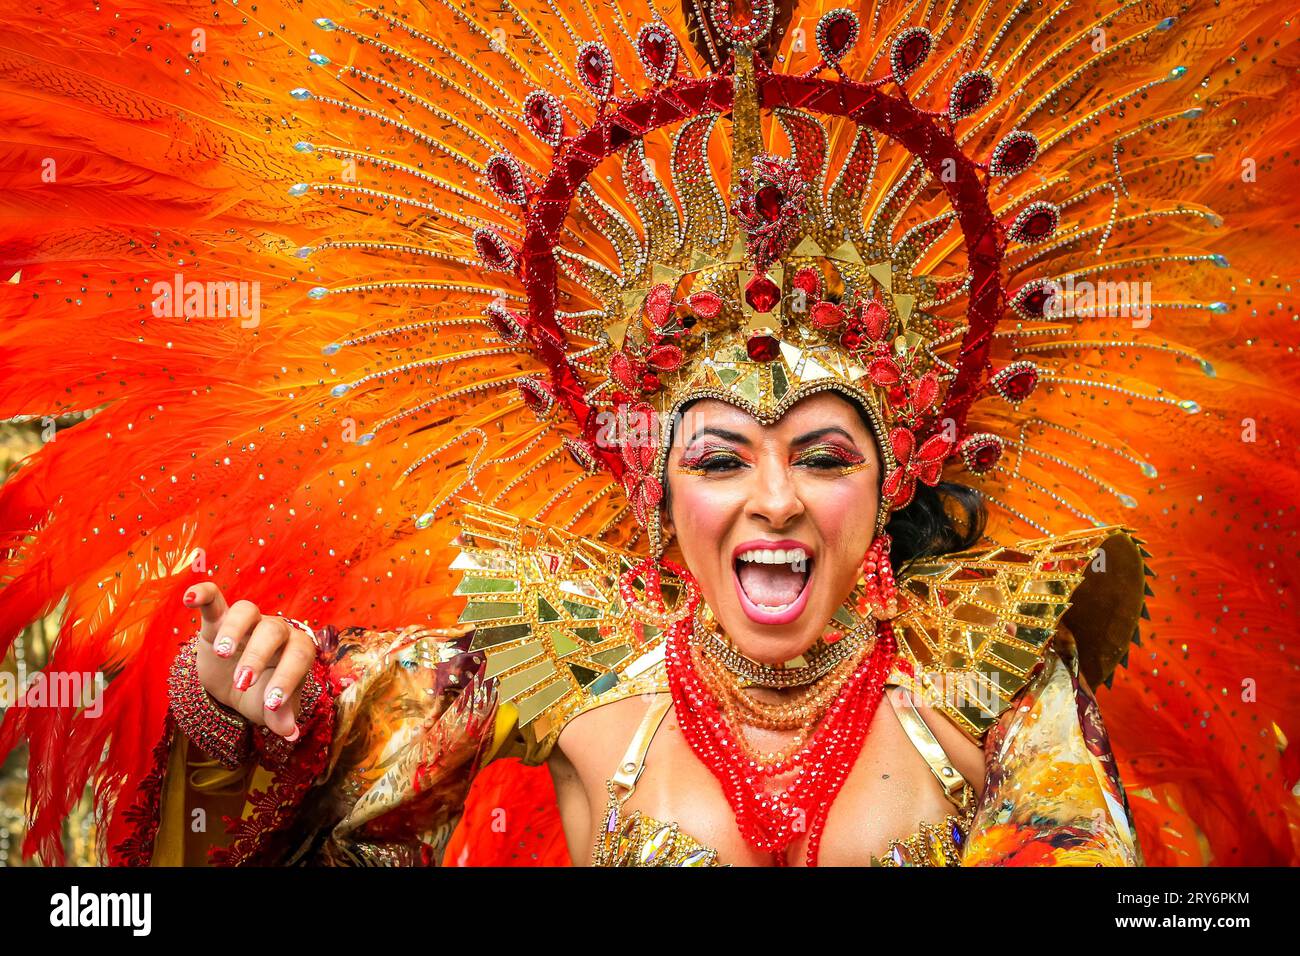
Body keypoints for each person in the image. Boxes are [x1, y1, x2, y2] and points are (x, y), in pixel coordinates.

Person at [1, 0, 1296, 867]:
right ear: (657, 484)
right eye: (721, 455)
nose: (775, 499)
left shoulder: (994, 689)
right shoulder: (557, 667)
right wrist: (241, 700)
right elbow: (313, 740)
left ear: (899, 477)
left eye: (826, 454)